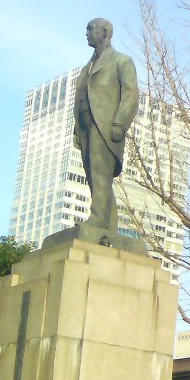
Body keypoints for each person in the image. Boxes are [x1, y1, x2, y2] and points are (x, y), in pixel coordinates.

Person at [73, 17, 139, 234]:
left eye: (90, 29)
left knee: (101, 172)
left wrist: (120, 123)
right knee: (93, 174)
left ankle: (99, 220)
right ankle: (107, 225)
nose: (86, 33)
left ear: (105, 31)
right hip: (86, 126)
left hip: (105, 125)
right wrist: (77, 128)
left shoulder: (121, 61)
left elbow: (130, 94)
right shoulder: (87, 67)